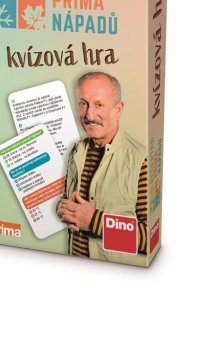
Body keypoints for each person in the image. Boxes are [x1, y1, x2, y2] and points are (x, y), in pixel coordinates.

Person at [56, 71, 148, 263]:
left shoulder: (142, 161)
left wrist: (93, 222)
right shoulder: (76, 151)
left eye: (99, 104)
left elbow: (148, 240)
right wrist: (63, 209)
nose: (89, 115)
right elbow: (69, 201)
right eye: (83, 104)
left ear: (118, 109)